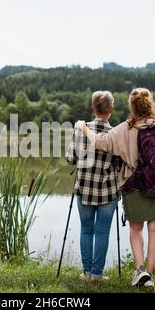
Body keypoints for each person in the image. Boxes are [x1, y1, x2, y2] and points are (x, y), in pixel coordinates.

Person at [75, 88, 155, 288]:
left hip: (135, 185)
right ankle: (149, 274)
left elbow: (100, 142)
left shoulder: (125, 128)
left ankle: (140, 271)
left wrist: (83, 127)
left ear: (132, 106)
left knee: (136, 228)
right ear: (150, 105)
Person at [66, 91, 122, 281]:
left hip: (84, 189)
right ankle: (97, 274)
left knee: (86, 230)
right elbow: (121, 163)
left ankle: (87, 273)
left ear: (93, 108)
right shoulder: (116, 133)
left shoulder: (80, 130)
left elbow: (70, 158)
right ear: (111, 110)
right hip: (108, 191)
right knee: (102, 232)